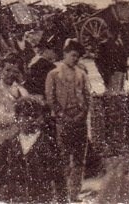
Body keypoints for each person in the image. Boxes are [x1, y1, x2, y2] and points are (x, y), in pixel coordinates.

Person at [0, 96, 67, 203]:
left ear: (42, 118)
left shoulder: (49, 144)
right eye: (26, 116)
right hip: (14, 199)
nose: (31, 120)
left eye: (35, 116)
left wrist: (63, 200)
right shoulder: (8, 145)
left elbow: (59, 178)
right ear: (17, 118)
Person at [45, 38, 90, 201]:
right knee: (63, 158)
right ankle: (62, 194)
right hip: (63, 122)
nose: (75, 59)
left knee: (79, 159)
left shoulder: (82, 74)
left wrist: (82, 114)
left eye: (78, 56)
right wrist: (62, 116)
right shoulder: (54, 74)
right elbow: (50, 99)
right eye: (73, 55)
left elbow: (87, 96)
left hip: (80, 121)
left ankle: (74, 193)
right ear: (64, 54)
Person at [0, 54, 28, 150]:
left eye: (15, 71)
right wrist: (24, 118)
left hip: (23, 140)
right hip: (5, 141)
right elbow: (1, 118)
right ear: (0, 71)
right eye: (7, 70)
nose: (11, 74)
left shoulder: (22, 90)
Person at [95, 29, 128, 93]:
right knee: (113, 93)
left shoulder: (119, 43)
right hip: (111, 73)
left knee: (119, 92)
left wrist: (125, 71)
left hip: (120, 72)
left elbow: (124, 58)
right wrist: (105, 74)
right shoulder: (104, 45)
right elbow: (98, 61)